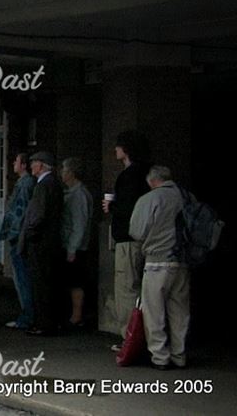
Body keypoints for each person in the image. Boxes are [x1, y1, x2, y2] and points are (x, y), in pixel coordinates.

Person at [129, 166, 190, 370]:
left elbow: (137, 231)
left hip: (156, 261)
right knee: (179, 311)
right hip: (182, 262)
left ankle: (160, 356)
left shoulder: (150, 199)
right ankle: (179, 355)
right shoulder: (187, 196)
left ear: (152, 181)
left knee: (154, 312)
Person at [103, 131, 150, 348]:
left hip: (127, 240)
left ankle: (129, 337)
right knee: (141, 290)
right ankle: (144, 336)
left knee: (127, 290)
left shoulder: (129, 176)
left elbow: (129, 207)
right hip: (143, 240)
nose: (115, 150)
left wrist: (112, 206)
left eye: (118, 146)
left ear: (126, 149)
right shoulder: (145, 174)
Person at [20, 150, 64, 336]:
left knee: (40, 284)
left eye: (34, 163)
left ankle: (43, 324)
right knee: (49, 283)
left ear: (41, 165)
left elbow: (38, 216)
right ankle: (50, 321)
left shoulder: (43, 186)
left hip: (40, 242)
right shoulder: (55, 184)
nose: (31, 166)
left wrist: (29, 234)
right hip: (51, 240)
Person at [0, 152, 35, 329]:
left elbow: (20, 212)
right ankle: (27, 314)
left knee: (22, 278)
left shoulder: (25, 184)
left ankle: (27, 316)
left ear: (23, 165)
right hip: (19, 235)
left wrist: (12, 233)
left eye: (17, 161)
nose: (14, 163)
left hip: (18, 236)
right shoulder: (25, 183)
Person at [60, 157, 93, 327]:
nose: (62, 174)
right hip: (72, 243)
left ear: (71, 173)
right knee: (72, 281)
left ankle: (77, 315)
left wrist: (72, 249)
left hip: (75, 246)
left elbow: (79, 224)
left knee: (76, 281)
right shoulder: (73, 192)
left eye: (64, 171)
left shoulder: (79, 195)